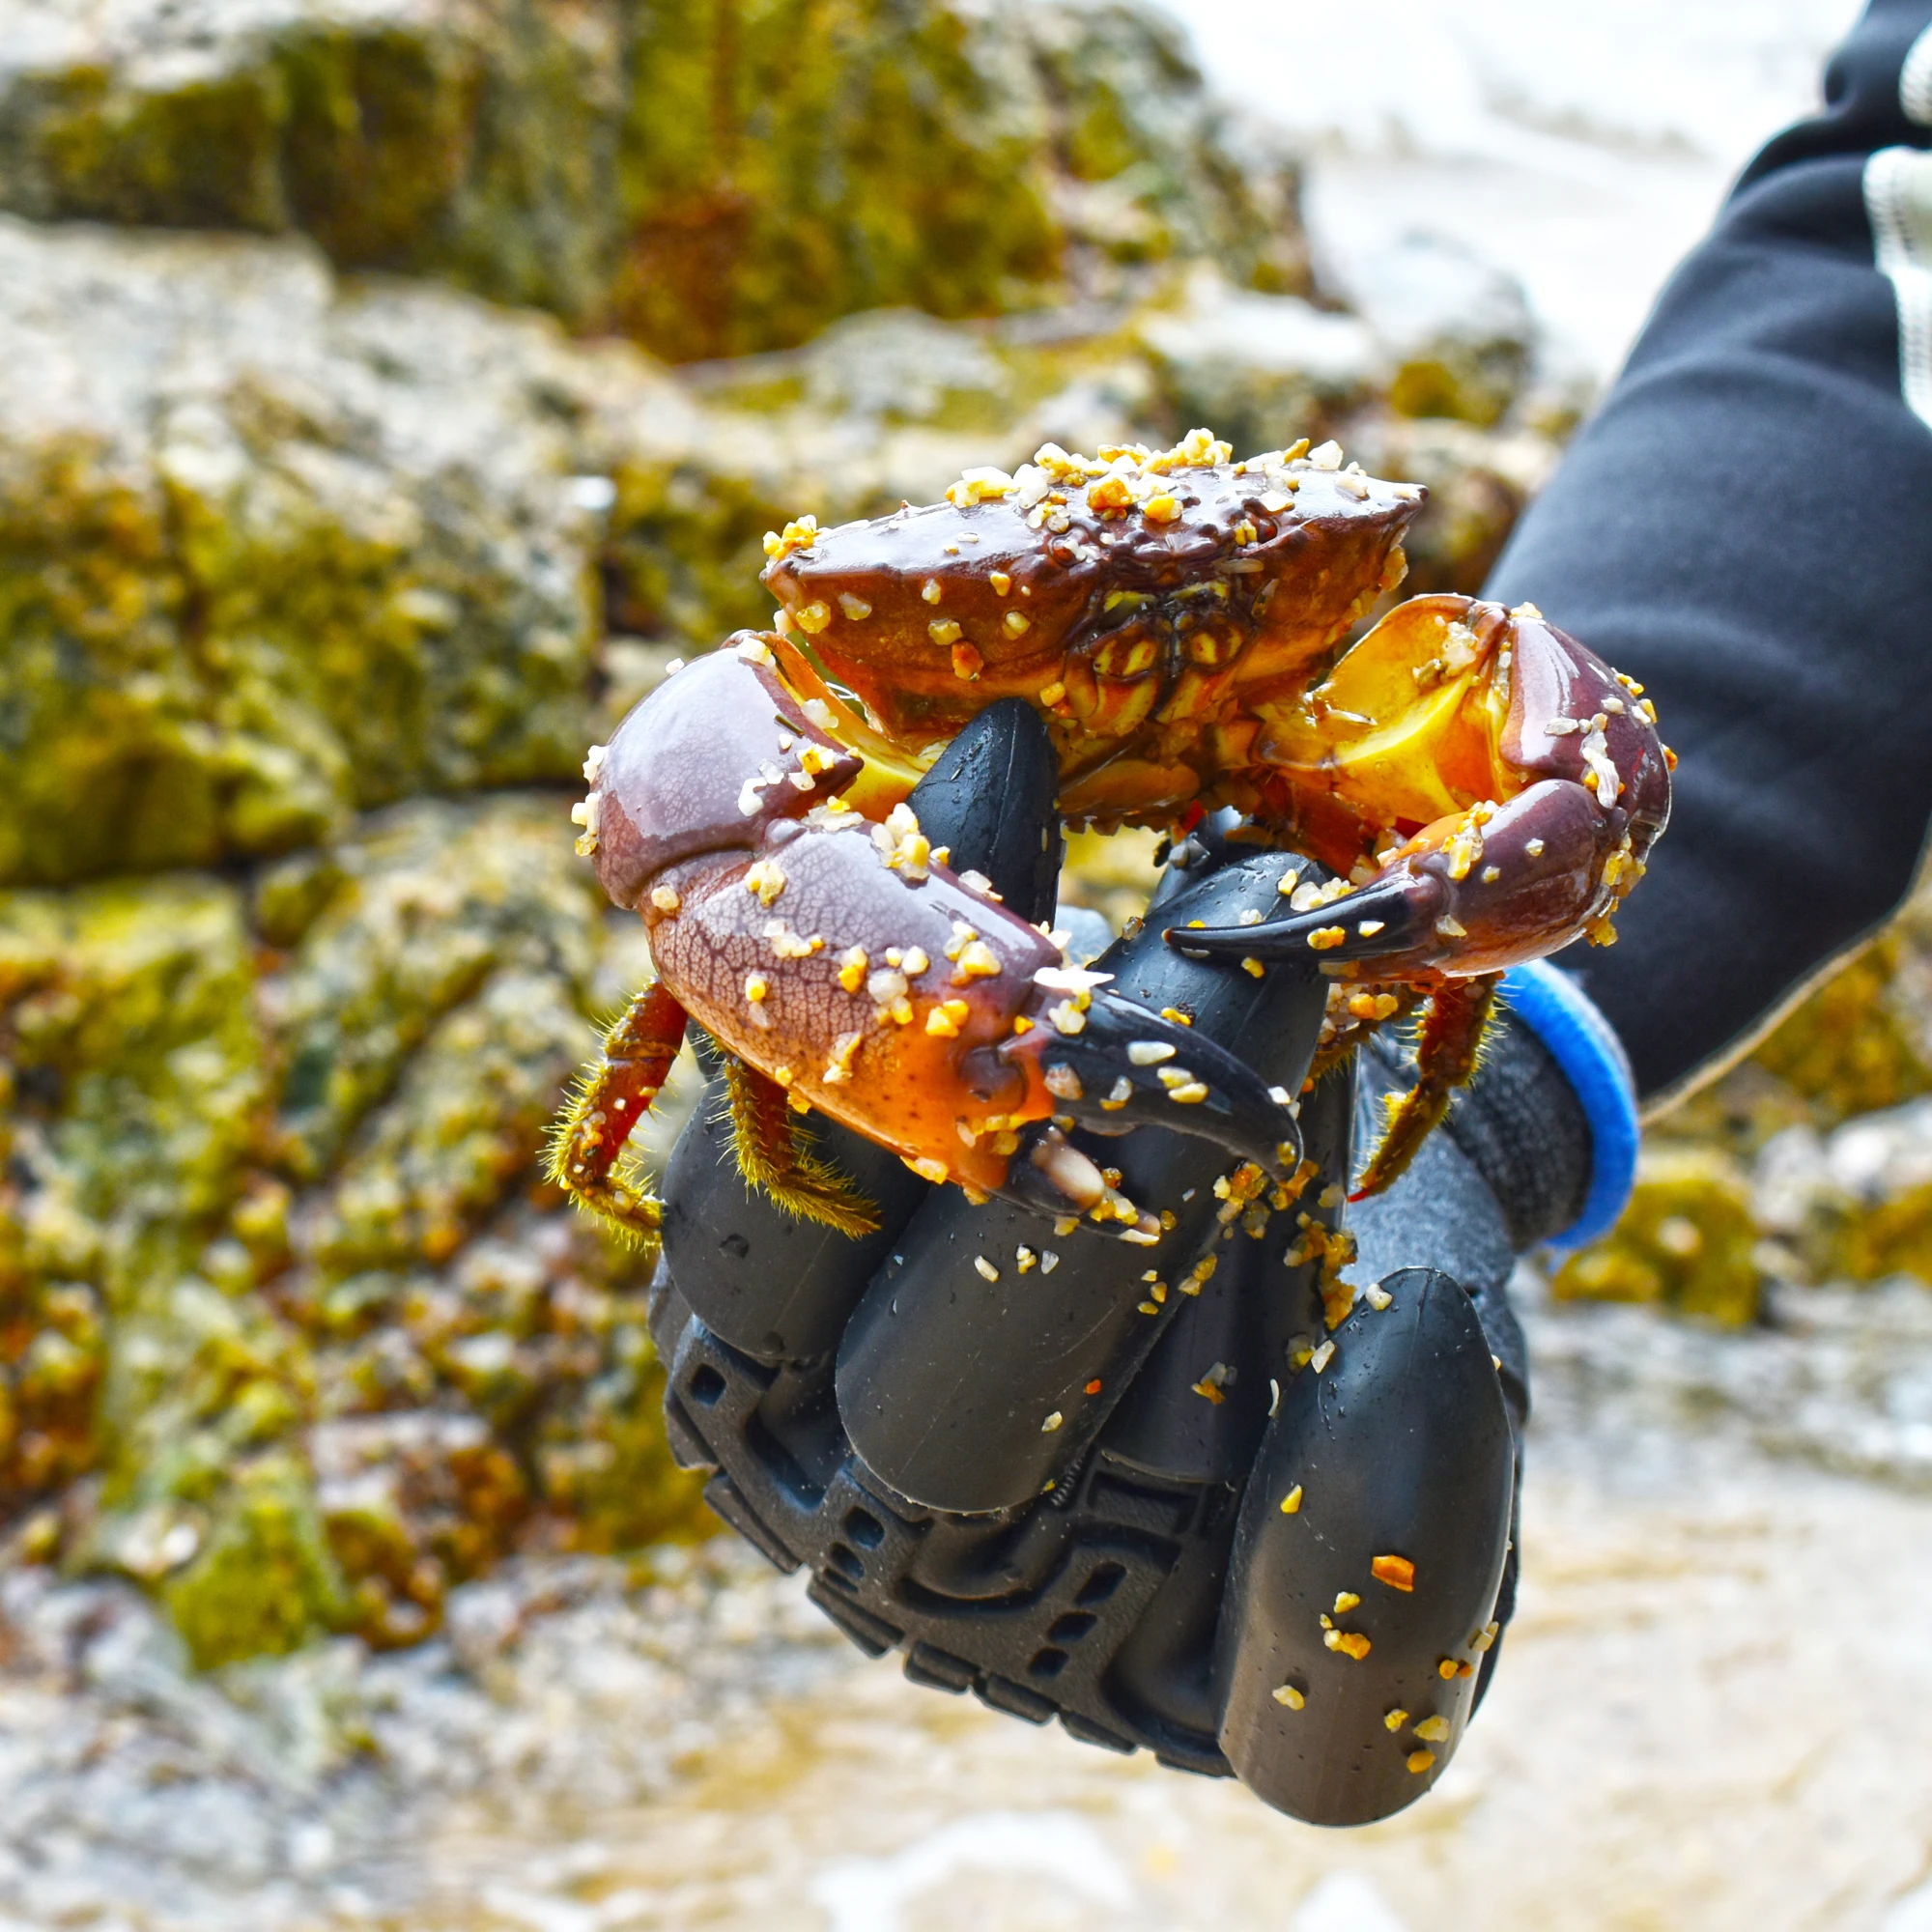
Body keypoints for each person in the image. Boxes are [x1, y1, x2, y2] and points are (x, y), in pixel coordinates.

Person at [646, 0, 1932, 1826]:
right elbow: (1909, 244)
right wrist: (1464, 1100)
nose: (1147, 640)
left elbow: (1561, 741)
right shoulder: (823, 697)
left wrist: (1460, 933)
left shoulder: (1390, 664)